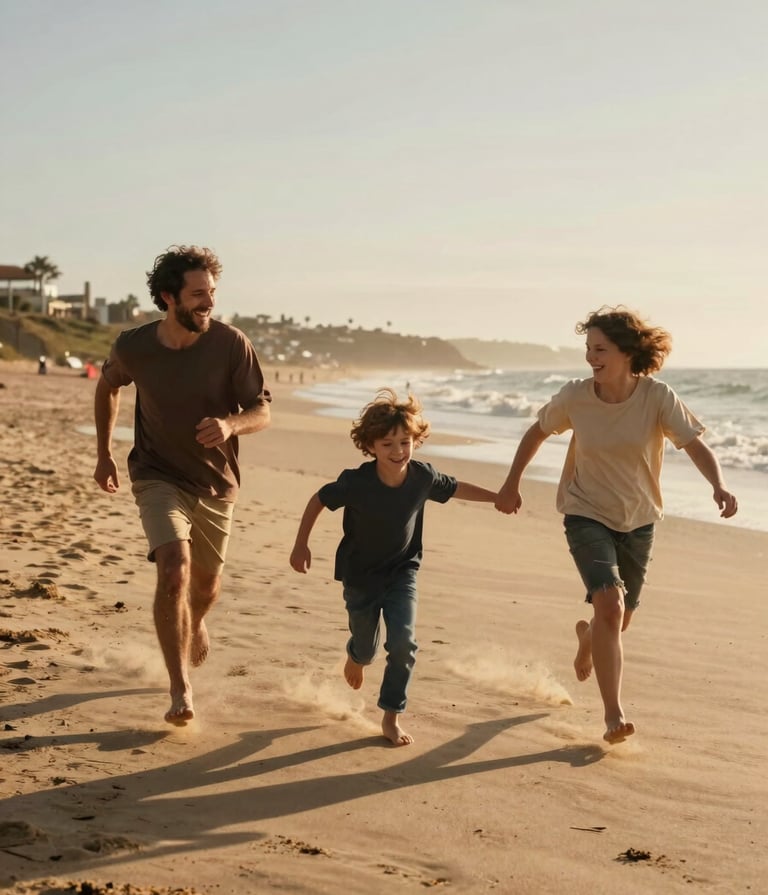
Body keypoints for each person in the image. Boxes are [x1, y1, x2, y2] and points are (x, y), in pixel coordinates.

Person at [495, 306, 737, 744]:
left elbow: (694, 445)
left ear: (627, 352)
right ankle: (613, 715)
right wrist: (511, 484)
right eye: (588, 349)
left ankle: (588, 637)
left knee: (616, 620)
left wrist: (718, 485)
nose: (591, 358)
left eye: (600, 349)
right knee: (611, 605)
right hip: (585, 511)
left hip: (639, 520)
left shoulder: (657, 397)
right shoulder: (575, 396)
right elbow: (535, 432)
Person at [93, 245, 271, 725]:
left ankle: (199, 620)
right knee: (174, 567)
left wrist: (233, 426)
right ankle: (180, 688)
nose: (208, 302)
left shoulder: (232, 344)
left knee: (205, 586)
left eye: (211, 293)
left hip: (215, 483)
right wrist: (104, 452)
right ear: (169, 297)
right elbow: (108, 385)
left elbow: (262, 409)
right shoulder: (134, 346)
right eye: (197, 294)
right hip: (156, 473)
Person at [290, 388, 497, 746]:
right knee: (368, 648)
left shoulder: (422, 477)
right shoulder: (356, 483)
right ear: (370, 446)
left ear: (416, 440)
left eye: (405, 442)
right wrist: (301, 543)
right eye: (387, 444)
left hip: (403, 573)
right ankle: (356, 655)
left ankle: (391, 715)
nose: (398, 452)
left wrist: (498, 497)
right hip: (360, 578)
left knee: (403, 643)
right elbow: (318, 500)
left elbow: (457, 487)